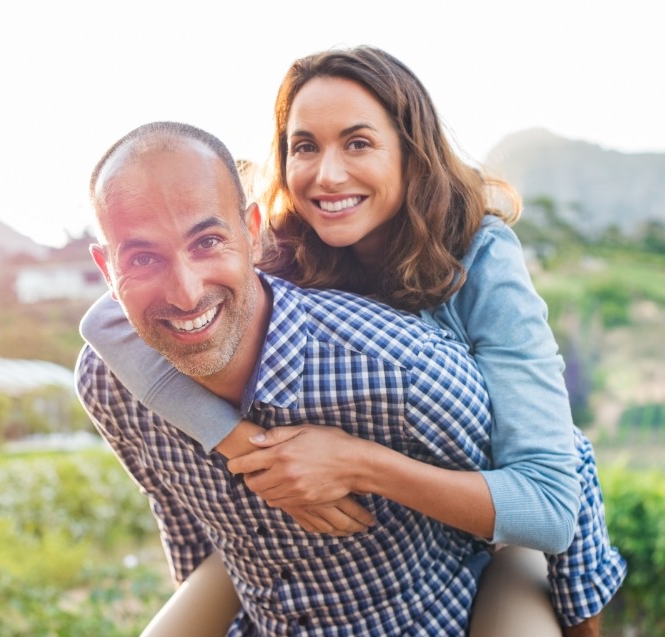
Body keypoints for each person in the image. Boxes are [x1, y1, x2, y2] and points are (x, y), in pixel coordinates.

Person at [80, 47, 626, 635]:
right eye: (305, 146)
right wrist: (242, 445)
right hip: (321, 547)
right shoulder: (281, 247)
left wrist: (357, 463)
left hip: (481, 517)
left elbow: (550, 483)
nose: (327, 174)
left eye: (358, 143)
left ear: (410, 153)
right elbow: (106, 323)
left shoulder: (480, 259)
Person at [78, 120, 515, 635]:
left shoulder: (400, 371)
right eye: (144, 257)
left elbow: (553, 484)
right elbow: (188, 534)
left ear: (253, 229)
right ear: (107, 270)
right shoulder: (109, 385)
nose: (185, 292)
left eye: (208, 242)